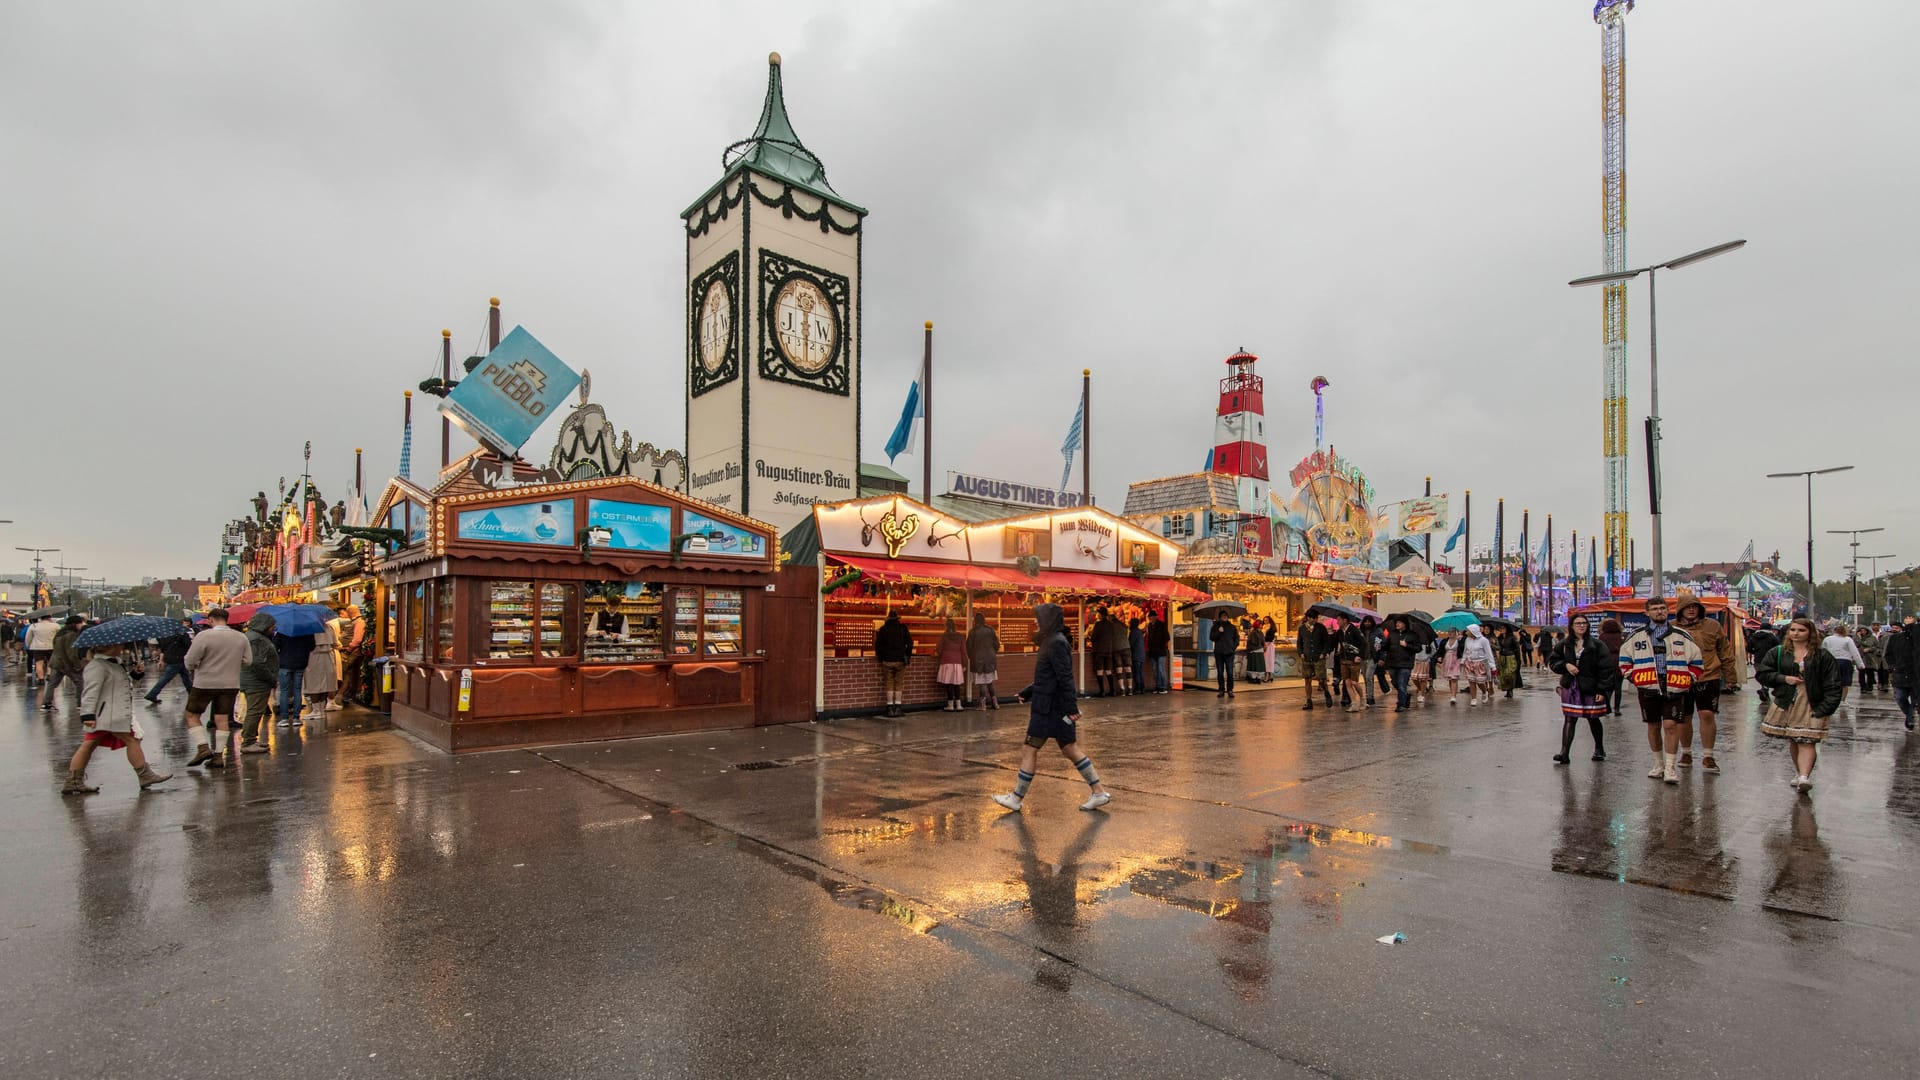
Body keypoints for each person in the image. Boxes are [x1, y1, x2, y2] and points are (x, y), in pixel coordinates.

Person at [991, 603, 1111, 813]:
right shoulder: (1053, 641)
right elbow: (1049, 677)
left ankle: (1016, 798)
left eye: (1038, 617)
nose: (1035, 621)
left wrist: (1072, 708)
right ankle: (1098, 792)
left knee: (1030, 749)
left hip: (1049, 709)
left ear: (1048, 620)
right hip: (1053, 707)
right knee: (1069, 749)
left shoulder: (1055, 643)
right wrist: (1028, 691)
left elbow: (1065, 677)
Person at [60, 643, 173, 794]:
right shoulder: (98, 666)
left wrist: (135, 674)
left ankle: (73, 781)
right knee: (131, 740)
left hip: (112, 713)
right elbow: (90, 691)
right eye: (119, 645)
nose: (122, 647)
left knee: (90, 745)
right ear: (110, 647)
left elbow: (119, 684)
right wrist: (87, 714)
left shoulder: (111, 663)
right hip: (107, 714)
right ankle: (145, 775)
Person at [1618, 596, 1705, 784]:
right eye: (1656, 609)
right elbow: (1624, 662)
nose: (1660, 612)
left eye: (1663, 608)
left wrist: (1689, 678)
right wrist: (1634, 678)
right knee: (1653, 726)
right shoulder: (1636, 636)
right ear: (1647, 613)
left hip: (1674, 685)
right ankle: (1658, 764)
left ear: (1668, 611)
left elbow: (1697, 662)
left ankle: (1670, 767)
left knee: (1671, 725)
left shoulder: (1682, 635)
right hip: (1648, 687)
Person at [1758, 617, 1845, 791]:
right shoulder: (1778, 652)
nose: (1796, 633)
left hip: (1812, 701)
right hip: (1787, 700)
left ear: (1810, 633)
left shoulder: (1822, 655)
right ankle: (1799, 772)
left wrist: (1826, 707)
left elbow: (1833, 683)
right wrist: (1784, 678)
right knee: (1795, 739)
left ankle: (1804, 777)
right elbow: (1763, 673)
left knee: (1807, 740)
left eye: (1801, 630)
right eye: (1793, 630)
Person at [1673, 600, 1735, 774]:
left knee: (1707, 714)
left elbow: (1725, 651)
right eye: (1687, 606)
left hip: (1708, 675)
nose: (1691, 610)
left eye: (1695, 607)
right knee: (1683, 716)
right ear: (1680, 610)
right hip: (1681, 677)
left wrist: (1730, 676)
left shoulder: (1713, 626)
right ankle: (1686, 753)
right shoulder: (1671, 627)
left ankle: (1708, 756)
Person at [182, 607, 249, 767]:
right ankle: (218, 756)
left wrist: (197, 664)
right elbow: (248, 661)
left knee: (192, 715)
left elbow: (190, 661)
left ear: (211, 620)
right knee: (222, 718)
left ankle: (203, 747)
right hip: (230, 683)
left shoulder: (204, 636)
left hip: (205, 683)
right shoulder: (240, 637)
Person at [1550, 614, 1617, 764]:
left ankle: (1599, 749)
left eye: (1584, 623)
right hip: (1571, 686)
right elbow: (1553, 661)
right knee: (1569, 718)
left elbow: (1606, 669)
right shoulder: (1564, 644)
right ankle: (1564, 752)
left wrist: (1602, 690)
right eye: (1578, 623)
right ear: (1572, 626)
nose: (1581, 626)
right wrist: (1565, 665)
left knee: (1592, 718)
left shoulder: (1597, 645)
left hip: (1591, 686)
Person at [237, 613, 280, 754]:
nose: (273, 629)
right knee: (254, 711)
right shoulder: (257, 639)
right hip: (257, 682)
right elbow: (257, 663)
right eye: (272, 626)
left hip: (253, 680)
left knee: (255, 711)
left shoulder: (252, 636)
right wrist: (270, 678)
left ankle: (250, 739)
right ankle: (248, 741)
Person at [40, 615, 87, 711]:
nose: (81, 625)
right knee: (80, 681)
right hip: (66, 663)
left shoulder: (60, 634)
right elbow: (71, 652)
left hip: (56, 661)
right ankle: (80, 703)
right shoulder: (72, 635)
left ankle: (46, 703)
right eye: (80, 623)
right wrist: (77, 665)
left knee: (52, 684)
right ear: (75, 624)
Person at [273, 626, 316, 730]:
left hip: (284, 663)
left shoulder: (282, 630)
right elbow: (312, 646)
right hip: (301, 663)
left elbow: (275, 646)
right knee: (297, 690)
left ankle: (284, 718)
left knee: (284, 690)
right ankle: (296, 718)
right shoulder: (307, 630)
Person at [143, 620, 196, 704]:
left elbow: (162, 648)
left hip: (170, 658)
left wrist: (161, 660)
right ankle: (152, 694)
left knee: (186, 677)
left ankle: (192, 694)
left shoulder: (163, 635)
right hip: (179, 658)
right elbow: (188, 645)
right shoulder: (182, 633)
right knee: (166, 678)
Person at [873, 611, 913, 718]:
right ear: (897, 619)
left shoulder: (883, 629)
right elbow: (910, 643)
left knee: (889, 683)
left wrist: (881, 657)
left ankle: (890, 708)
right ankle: (898, 707)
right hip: (900, 660)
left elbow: (877, 646)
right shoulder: (903, 629)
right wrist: (907, 655)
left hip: (887, 660)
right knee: (899, 683)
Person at [1820, 623, 1865, 715]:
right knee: (1844, 683)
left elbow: (1823, 651)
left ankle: (1830, 698)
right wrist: (1860, 664)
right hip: (1845, 662)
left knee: (1831, 681)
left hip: (1831, 661)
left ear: (1834, 630)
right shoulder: (1848, 639)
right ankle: (1842, 701)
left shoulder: (1827, 639)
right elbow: (1854, 652)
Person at [1884, 615, 1918, 732]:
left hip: (1916, 676)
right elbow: (1888, 654)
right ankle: (1910, 714)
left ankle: (1910, 718)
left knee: (1915, 701)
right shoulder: (1896, 639)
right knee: (1900, 697)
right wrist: (1893, 666)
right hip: (1900, 674)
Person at [1380, 615, 1420, 712]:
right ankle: (1405, 695)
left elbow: (1418, 648)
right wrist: (1381, 646)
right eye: (1396, 622)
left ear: (1405, 624)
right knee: (1394, 682)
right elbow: (1386, 646)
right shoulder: (1392, 634)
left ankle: (1400, 704)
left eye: (1400, 622)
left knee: (1402, 684)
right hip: (1392, 662)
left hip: (1405, 663)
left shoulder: (1412, 635)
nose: (1397, 624)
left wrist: (1407, 645)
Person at [304, 616, 338, 721]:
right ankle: (321, 710)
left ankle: (316, 710)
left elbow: (305, 644)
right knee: (326, 683)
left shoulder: (308, 629)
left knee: (313, 683)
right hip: (328, 657)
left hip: (313, 657)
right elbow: (335, 643)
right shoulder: (329, 627)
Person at [1297, 614, 1333, 710]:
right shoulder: (1302, 628)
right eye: (1313, 618)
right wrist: (1300, 653)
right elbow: (1299, 642)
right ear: (1308, 618)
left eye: (1316, 618)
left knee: (1322, 678)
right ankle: (1309, 701)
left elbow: (1327, 642)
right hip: (1307, 657)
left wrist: (1324, 653)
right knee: (1307, 679)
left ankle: (1326, 692)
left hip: (1318, 657)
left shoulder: (1321, 628)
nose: (1314, 620)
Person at [967, 613, 1001, 711]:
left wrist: (971, 656)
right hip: (990, 658)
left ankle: (983, 705)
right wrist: (992, 652)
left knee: (981, 682)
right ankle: (995, 703)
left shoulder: (973, 632)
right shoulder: (990, 630)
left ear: (975, 621)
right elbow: (996, 645)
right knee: (990, 682)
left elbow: (969, 646)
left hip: (978, 659)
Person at [335, 604, 368, 706]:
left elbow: (357, 639)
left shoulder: (359, 622)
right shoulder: (353, 621)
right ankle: (342, 695)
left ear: (350, 612)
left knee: (345, 673)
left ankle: (340, 695)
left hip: (351, 652)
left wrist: (349, 649)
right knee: (344, 673)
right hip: (346, 651)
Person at [934, 617, 967, 711]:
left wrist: (936, 652)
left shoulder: (944, 636)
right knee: (957, 684)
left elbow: (939, 649)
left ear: (946, 626)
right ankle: (959, 705)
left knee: (949, 684)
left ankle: (950, 705)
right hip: (957, 662)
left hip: (946, 661)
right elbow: (964, 651)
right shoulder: (960, 636)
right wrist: (964, 664)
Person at [1460, 624, 1496, 707]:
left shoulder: (1484, 640)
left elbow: (1489, 653)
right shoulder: (1467, 640)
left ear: (1473, 631)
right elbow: (1466, 651)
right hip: (1469, 662)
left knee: (1480, 681)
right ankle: (1473, 698)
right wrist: (1463, 660)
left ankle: (1484, 692)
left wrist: (1493, 666)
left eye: (1468, 630)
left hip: (1480, 663)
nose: (1466, 632)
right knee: (1471, 681)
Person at [1598, 618, 1627, 715]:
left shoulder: (1602, 637)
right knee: (1618, 687)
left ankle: (1607, 707)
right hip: (1620, 661)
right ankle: (1617, 709)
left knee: (1608, 686)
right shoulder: (1622, 636)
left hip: (1607, 662)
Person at [24, 613, 59, 687]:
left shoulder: (34, 626)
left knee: (39, 664)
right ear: (50, 617)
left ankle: (41, 679)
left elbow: (28, 637)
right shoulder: (55, 626)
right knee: (51, 662)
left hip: (38, 647)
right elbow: (59, 635)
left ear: (41, 618)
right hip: (51, 646)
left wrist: (28, 645)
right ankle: (49, 675)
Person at [1211, 613, 1240, 698]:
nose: (1224, 617)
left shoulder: (1232, 627)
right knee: (1220, 673)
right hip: (1219, 653)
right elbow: (1212, 637)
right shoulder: (1215, 626)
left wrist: (1233, 648)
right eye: (1223, 616)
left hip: (1229, 653)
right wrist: (1219, 632)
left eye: (1226, 615)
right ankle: (1221, 690)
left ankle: (1230, 690)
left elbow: (1237, 639)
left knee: (1230, 673)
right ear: (1220, 617)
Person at [1358, 616, 1381, 706]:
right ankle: (1370, 696)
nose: (1367, 623)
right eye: (1365, 622)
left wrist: (1380, 656)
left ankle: (1369, 696)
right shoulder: (1360, 632)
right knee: (1366, 677)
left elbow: (1380, 643)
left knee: (1368, 676)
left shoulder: (1377, 632)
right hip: (1363, 657)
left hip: (1372, 657)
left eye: (1369, 622)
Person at [1146, 613, 1171, 694]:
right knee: (1155, 670)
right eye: (1149, 617)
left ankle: (1163, 687)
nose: (1150, 618)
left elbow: (1167, 637)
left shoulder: (1161, 625)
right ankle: (1158, 686)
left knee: (1161, 669)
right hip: (1153, 651)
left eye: (1152, 617)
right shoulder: (1149, 626)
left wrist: (1161, 645)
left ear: (1155, 617)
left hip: (1161, 651)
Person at [1495, 625, 1521, 700]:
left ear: (1507, 629)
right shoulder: (1499, 638)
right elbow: (1498, 647)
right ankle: (1507, 690)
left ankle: (1510, 690)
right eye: (1501, 628)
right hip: (1502, 657)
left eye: (1503, 628)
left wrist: (1518, 659)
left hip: (1510, 657)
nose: (1501, 629)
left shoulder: (1512, 638)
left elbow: (1517, 649)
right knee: (1503, 674)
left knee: (1509, 674)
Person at [1856, 625, 1882, 694]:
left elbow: (1877, 647)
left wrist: (1870, 649)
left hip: (1870, 657)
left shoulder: (1872, 638)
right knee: (1861, 673)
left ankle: (1869, 686)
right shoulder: (1857, 638)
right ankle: (1863, 687)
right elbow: (1856, 645)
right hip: (1861, 657)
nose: (1863, 632)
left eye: (1864, 630)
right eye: (1861, 631)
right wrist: (1859, 638)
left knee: (1870, 672)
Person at [1441, 630, 1464, 705]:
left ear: (1455, 632)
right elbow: (1440, 650)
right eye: (1449, 631)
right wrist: (1439, 657)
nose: (1450, 633)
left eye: (1452, 631)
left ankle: (1453, 696)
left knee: (1454, 678)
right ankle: (1452, 694)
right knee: (1450, 679)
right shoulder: (1445, 641)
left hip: (1456, 660)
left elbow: (1463, 649)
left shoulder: (1459, 640)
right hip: (1447, 659)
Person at [1128, 617, 1149, 694]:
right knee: (1140, 672)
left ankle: (1138, 688)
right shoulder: (1139, 632)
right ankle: (1142, 688)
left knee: (1136, 672)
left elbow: (1131, 644)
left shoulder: (1133, 632)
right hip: (1141, 654)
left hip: (1136, 655)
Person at [1244, 618, 1266, 685]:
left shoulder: (1254, 633)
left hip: (1256, 651)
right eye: (1261, 624)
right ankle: (1256, 678)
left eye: (1261, 624)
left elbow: (1251, 643)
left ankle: (1255, 678)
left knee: (1255, 665)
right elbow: (1261, 642)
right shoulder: (1256, 633)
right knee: (1257, 665)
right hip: (1257, 651)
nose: (1261, 625)